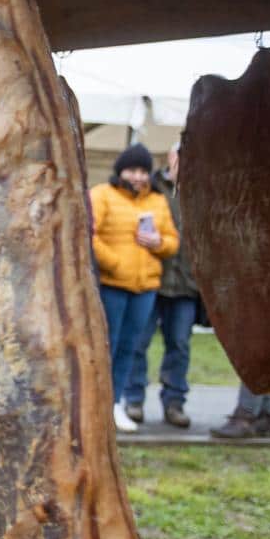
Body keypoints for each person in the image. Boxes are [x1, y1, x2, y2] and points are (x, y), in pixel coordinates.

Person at [89, 143, 177, 434]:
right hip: (112, 286)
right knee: (106, 346)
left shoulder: (157, 201)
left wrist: (159, 244)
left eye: (143, 171)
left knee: (130, 347)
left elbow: (172, 241)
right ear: (120, 170)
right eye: (133, 170)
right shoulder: (102, 195)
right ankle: (95, 406)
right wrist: (114, 264)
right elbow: (89, 234)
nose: (138, 176)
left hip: (145, 288)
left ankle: (115, 404)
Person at [124, 144, 200, 428]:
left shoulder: (202, 191)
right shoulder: (150, 187)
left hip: (186, 283)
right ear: (171, 157)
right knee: (138, 343)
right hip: (151, 279)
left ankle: (174, 403)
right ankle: (133, 400)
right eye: (181, 155)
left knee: (179, 345)